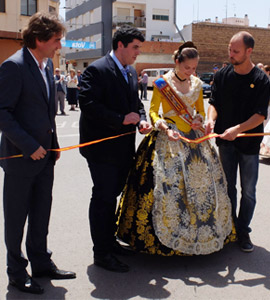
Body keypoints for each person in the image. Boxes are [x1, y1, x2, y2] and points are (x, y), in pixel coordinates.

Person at [117, 42, 236, 256]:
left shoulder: (198, 84)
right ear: (177, 62)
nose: (190, 72)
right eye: (187, 68)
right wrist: (164, 126)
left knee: (202, 189)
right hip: (169, 137)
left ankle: (204, 235)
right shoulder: (162, 83)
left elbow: (200, 110)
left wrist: (198, 121)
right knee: (169, 187)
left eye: (193, 68)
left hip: (194, 139)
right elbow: (153, 112)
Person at [0, 12, 76, 295]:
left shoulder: (45, 67)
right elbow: (3, 113)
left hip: (46, 157)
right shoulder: (14, 67)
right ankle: (17, 273)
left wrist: (53, 145)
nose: (59, 46)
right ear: (39, 39)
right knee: (17, 218)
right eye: (56, 40)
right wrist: (29, 146)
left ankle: (41, 262)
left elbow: (47, 113)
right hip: (21, 158)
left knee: (42, 213)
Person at [78, 25, 152, 272]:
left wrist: (141, 118)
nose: (138, 52)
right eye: (135, 47)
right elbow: (87, 105)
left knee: (114, 197)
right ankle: (101, 253)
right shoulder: (97, 70)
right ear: (120, 45)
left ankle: (110, 242)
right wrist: (121, 118)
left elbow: (137, 104)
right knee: (103, 198)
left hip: (123, 149)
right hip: (101, 151)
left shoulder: (130, 72)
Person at [206, 31, 270, 253]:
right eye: (229, 50)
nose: (231, 54)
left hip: (249, 147)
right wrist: (209, 119)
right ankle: (229, 227)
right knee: (227, 188)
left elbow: (260, 115)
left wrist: (237, 129)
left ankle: (243, 230)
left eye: (235, 51)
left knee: (248, 191)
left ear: (249, 51)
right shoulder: (223, 75)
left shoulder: (261, 80)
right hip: (225, 144)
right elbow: (214, 102)